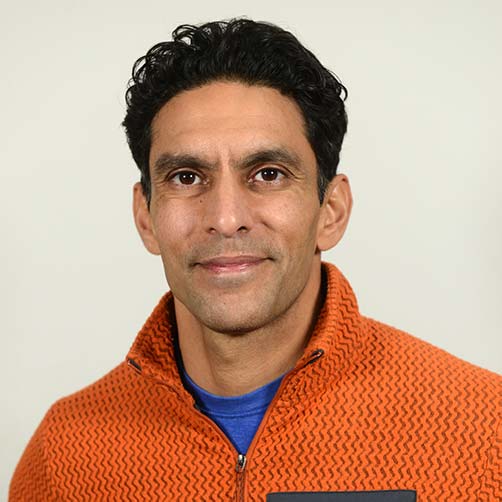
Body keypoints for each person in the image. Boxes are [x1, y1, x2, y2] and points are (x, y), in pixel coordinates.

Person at [10, 18, 500, 502]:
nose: (226, 219)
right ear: (146, 216)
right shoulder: (65, 455)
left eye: (268, 174)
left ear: (331, 210)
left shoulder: (484, 431)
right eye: (186, 177)